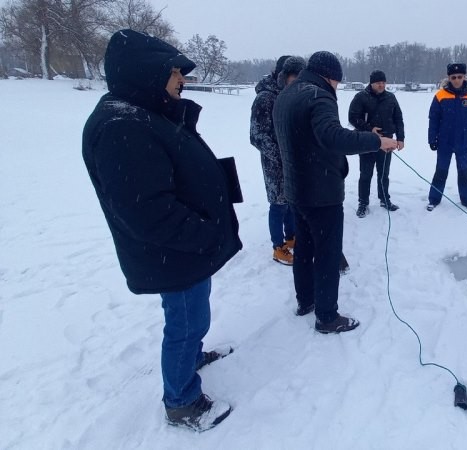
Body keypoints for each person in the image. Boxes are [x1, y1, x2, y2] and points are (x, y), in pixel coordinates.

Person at [82, 29, 242, 431]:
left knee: (194, 317)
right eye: (174, 73)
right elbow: (147, 211)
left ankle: (191, 358)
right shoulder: (122, 126)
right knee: (185, 323)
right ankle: (182, 401)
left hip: (184, 247)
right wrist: (204, 234)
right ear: (146, 73)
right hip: (173, 251)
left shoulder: (144, 113)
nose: (181, 80)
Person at [273, 51, 398, 333]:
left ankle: (306, 301)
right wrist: (376, 141)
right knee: (327, 254)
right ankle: (327, 316)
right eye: (337, 83)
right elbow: (332, 136)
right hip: (320, 191)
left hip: (296, 188)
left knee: (304, 248)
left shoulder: (287, 93)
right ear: (330, 77)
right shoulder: (319, 95)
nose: (337, 88)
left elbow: (309, 134)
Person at [250, 55, 307, 265]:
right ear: (281, 75)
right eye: (294, 77)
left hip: (292, 160)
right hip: (274, 163)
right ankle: (278, 247)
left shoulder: (291, 94)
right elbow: (257, 136)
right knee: (278, 204)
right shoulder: (265, 98)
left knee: (291, 201)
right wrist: (281, 157)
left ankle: (291, 236)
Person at [426, 62, 467, 211]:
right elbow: (433, 119)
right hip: (444, 141)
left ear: (464, 76)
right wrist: (432, 139)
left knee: (464, 172)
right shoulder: (440, 95)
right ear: (449, 78)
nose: (457, 80)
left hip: (464, 142)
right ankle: (434, 199)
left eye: (459, 76)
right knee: (441, 171)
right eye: (453, 77)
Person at [348, 69, 405, 217]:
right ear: (371, 83)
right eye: (378, 83)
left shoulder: (391, 98)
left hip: (387, 142)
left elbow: (398, 118)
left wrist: (400, 138)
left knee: (383, 174)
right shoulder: (361, 97)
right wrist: (369, 128)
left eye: (383, 82)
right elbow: (353, 118)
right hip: (367, 141)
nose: (381, 85)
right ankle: (363, 203)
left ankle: (384, 199)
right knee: (365, 174)